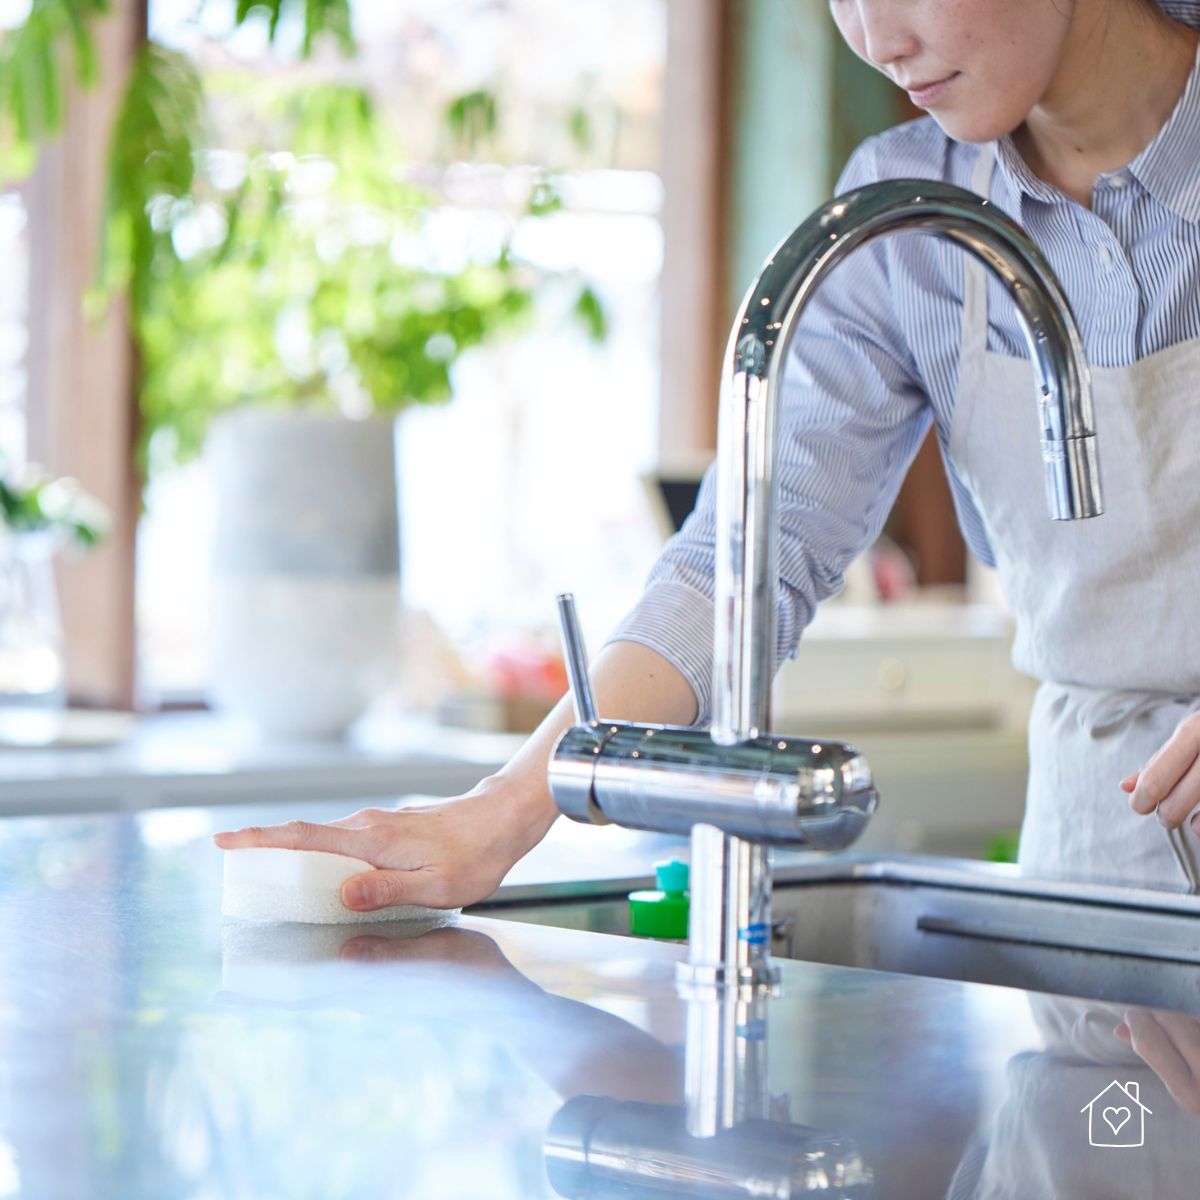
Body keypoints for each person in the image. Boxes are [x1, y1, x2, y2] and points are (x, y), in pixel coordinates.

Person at [216, 0, 1200, 907]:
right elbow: (748, 553)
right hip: (1100, 855)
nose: (873, 37)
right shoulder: (908, 217)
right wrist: (510, 806)